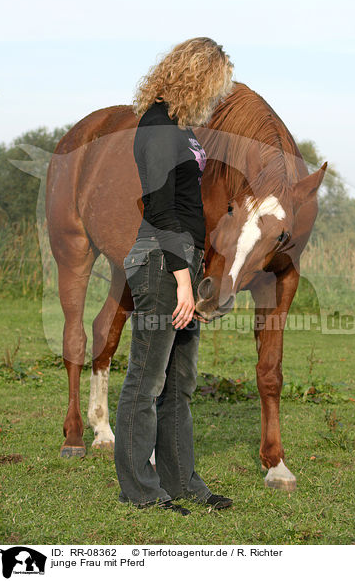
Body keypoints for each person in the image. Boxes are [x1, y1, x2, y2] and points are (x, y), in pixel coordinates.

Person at [114, 37, 234, 515]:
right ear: (196, 75)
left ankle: (180, 480)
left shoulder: (182, 128)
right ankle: (140, 490)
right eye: (216, 83)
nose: (218, 94)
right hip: (162, 262)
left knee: (180, 382)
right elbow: (162, 208)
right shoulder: (159, 126)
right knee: (146, 380)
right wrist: (184, 278)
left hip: (185, 261)